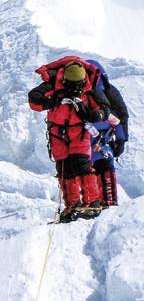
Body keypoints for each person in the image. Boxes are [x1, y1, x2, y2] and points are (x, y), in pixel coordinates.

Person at [28, 58, 113, 221]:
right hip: (57, 134)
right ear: (64, 80)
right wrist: (54, 100)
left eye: (78, 85)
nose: (75, 89)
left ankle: (93, 202)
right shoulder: (54, 84)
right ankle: (72, 205)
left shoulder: (90, 88)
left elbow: (105, 110)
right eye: (71, 86)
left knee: (82, 166)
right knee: (64, 170)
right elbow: (34, 99)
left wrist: (90, 114)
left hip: (79, 133)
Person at [86, 59, 129, 206]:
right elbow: (121, 116)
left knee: (88, 170)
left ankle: (92, 202)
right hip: (103, 139)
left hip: (83, 141)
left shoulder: (77, 92)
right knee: (105, 166)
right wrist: (121, 140)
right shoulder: (108, 91)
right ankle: (108, 201)